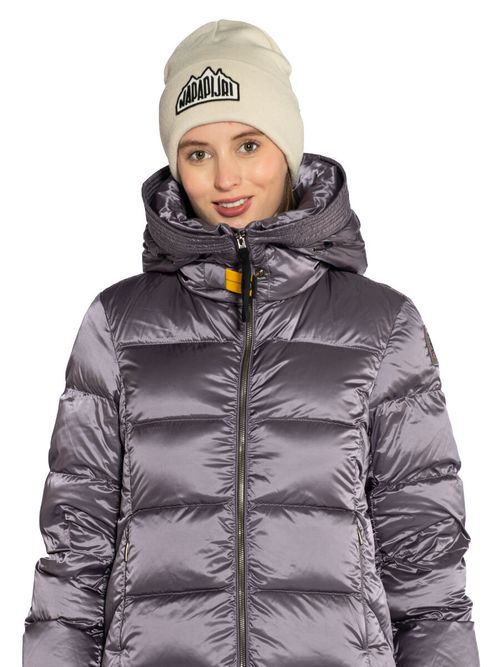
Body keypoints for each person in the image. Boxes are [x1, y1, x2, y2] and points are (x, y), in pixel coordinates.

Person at [22, 18, 480, 667]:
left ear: (286, 149)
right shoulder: (118, 324)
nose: (225, 179)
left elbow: (426, 559)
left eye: (247, 144)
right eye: (197, 153)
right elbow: (75, 552)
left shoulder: (381, 325)